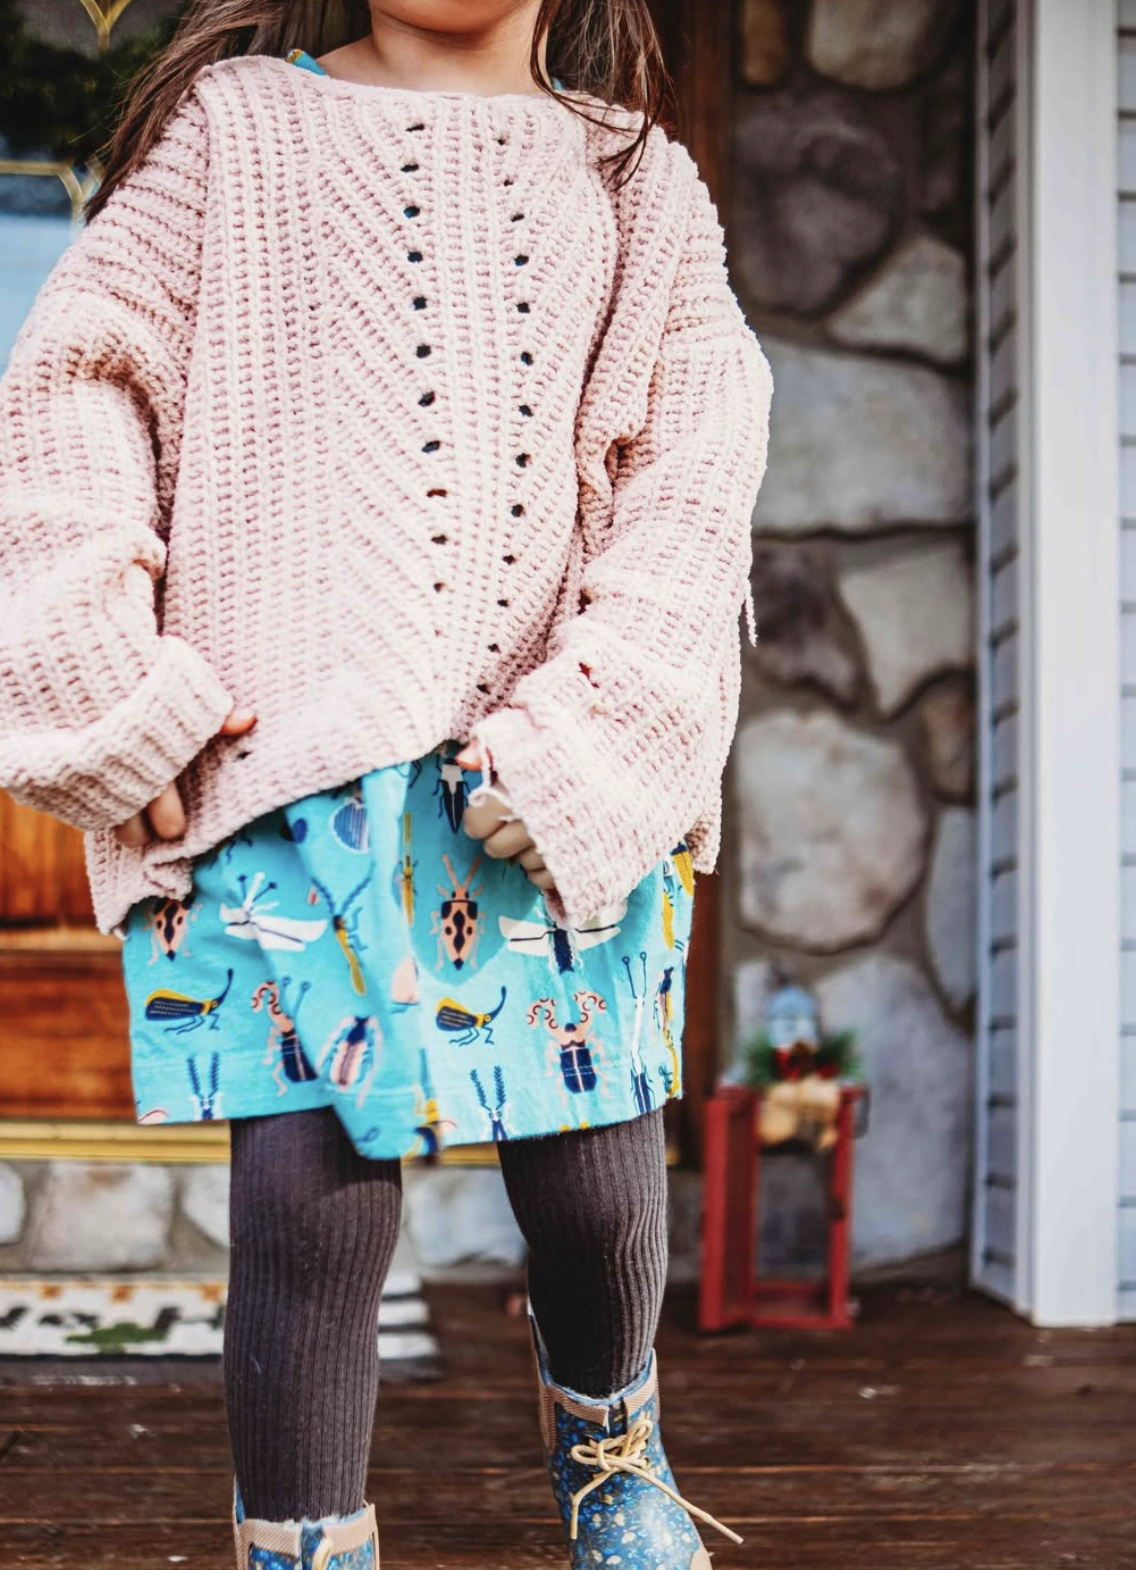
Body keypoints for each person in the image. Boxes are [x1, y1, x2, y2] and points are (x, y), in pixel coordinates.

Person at [0, 1, 772, 1565]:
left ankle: (613, 1448)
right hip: (287, 770)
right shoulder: (232, 131)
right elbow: (76, 379)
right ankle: (301, 1546)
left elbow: (692, 483)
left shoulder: (634, 182)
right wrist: (98, 672)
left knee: (599, 1182)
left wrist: (609, 727)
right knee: (308, 1202)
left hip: (549, 770)